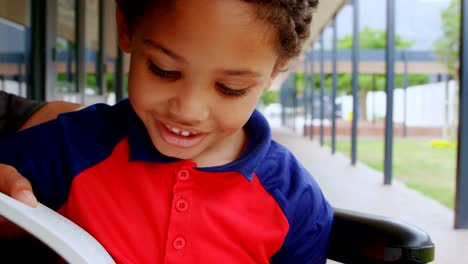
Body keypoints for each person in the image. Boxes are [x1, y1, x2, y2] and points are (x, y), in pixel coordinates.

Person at [0, 0, 333, 263]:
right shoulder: (70, 146)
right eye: (164, 70)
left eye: (230, 88)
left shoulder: (296, 202)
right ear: (126, 26)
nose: (188, 110)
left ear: (277, 68)